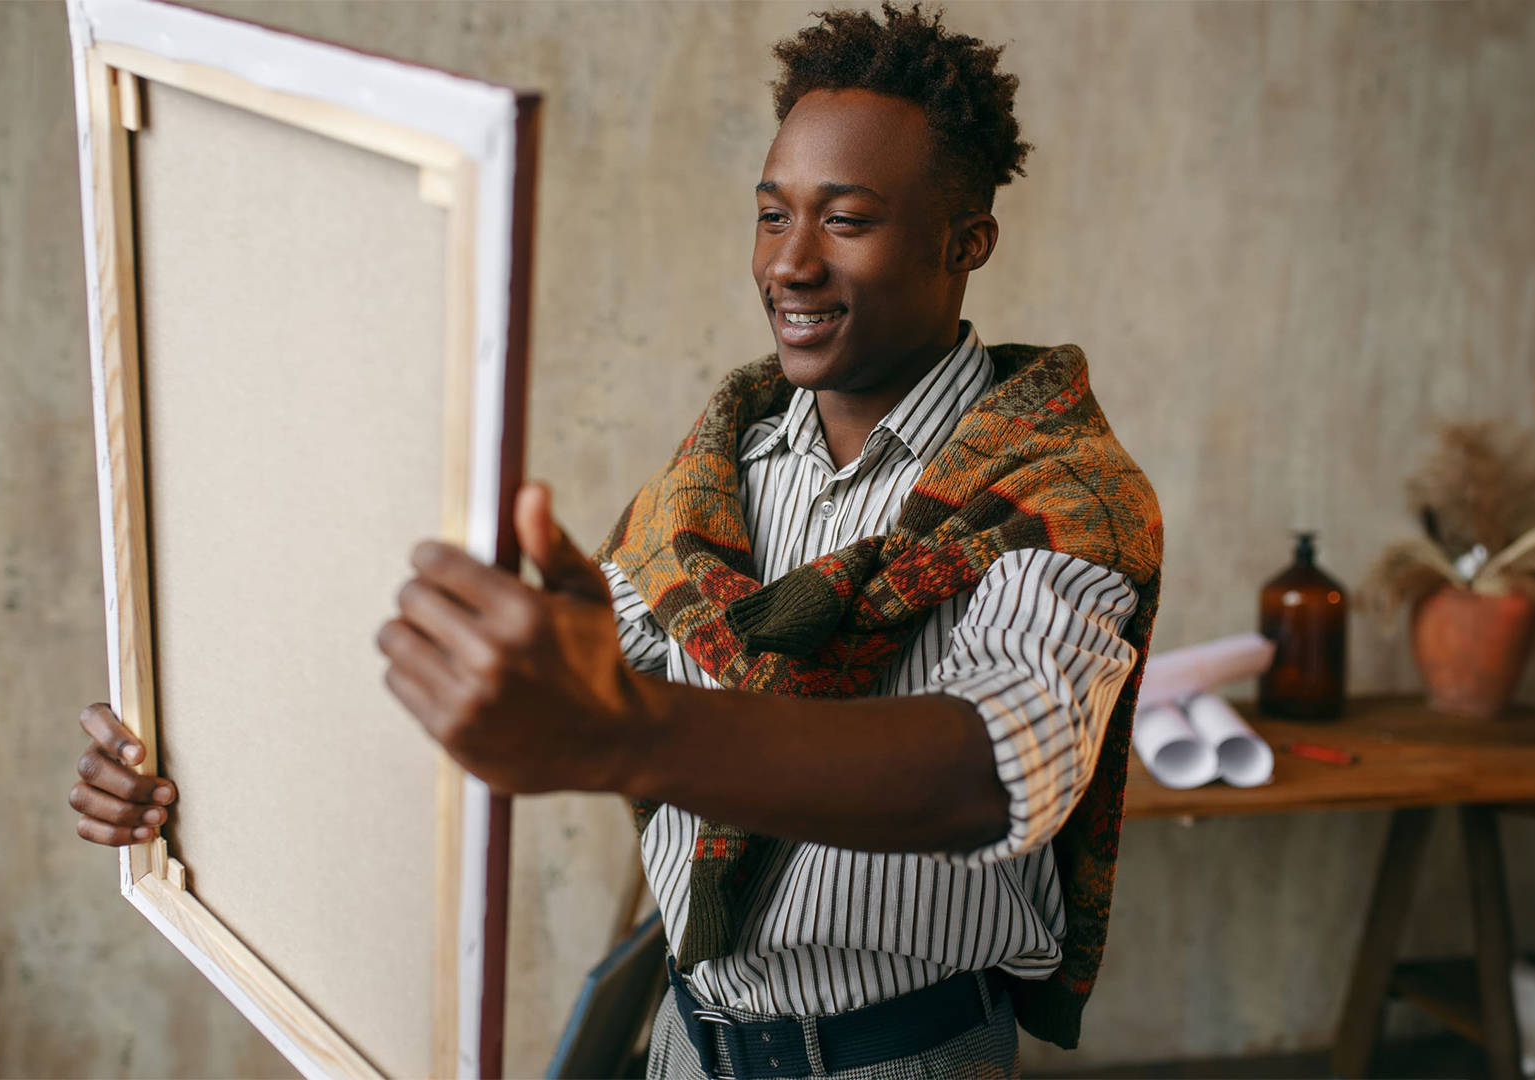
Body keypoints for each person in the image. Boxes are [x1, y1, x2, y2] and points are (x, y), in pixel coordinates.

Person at [68, 5, 1162, 1077]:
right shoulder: (710, 477)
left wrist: (625, 728)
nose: (790, 262)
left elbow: (991, 772)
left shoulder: (1069, 494)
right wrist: (188, 773)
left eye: (848, 218)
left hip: (901, 1060)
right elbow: (530, 701)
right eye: (772, 214)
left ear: (965, 241)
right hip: (686, 1044)